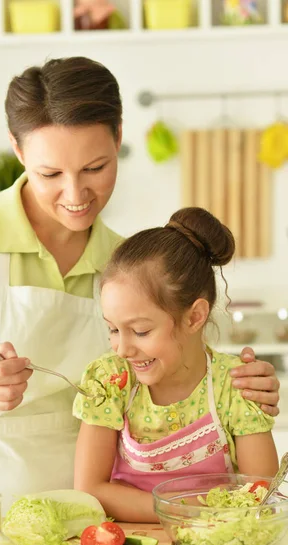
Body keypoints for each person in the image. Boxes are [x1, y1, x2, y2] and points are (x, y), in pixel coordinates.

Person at [0, 58, 279, 520]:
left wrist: (241, 388)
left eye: (95, 167)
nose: (76, 193)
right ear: (18, 151)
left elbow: (181, 377)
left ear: (119, 138)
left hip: (104, 523)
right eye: (50, 174)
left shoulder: (128, 265)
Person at [73, 207, 279, 523]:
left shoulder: (237, 385)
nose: (123, 349)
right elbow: (90, 489)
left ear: (195, 316)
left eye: (140, 331)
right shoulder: (110, 380)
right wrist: (188, 512)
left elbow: (258, 494)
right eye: (113, 329)